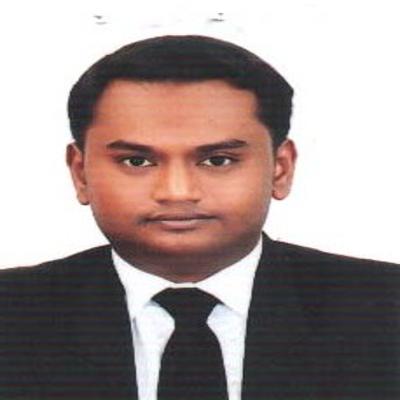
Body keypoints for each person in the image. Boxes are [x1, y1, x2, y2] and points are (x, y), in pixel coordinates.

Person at [0, 35, 399, 400]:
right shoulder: (12, 314)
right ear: (81, 172)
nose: (177, 192)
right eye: (137, 161)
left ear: (281, 168)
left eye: (218, 160)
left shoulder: (385, 309)